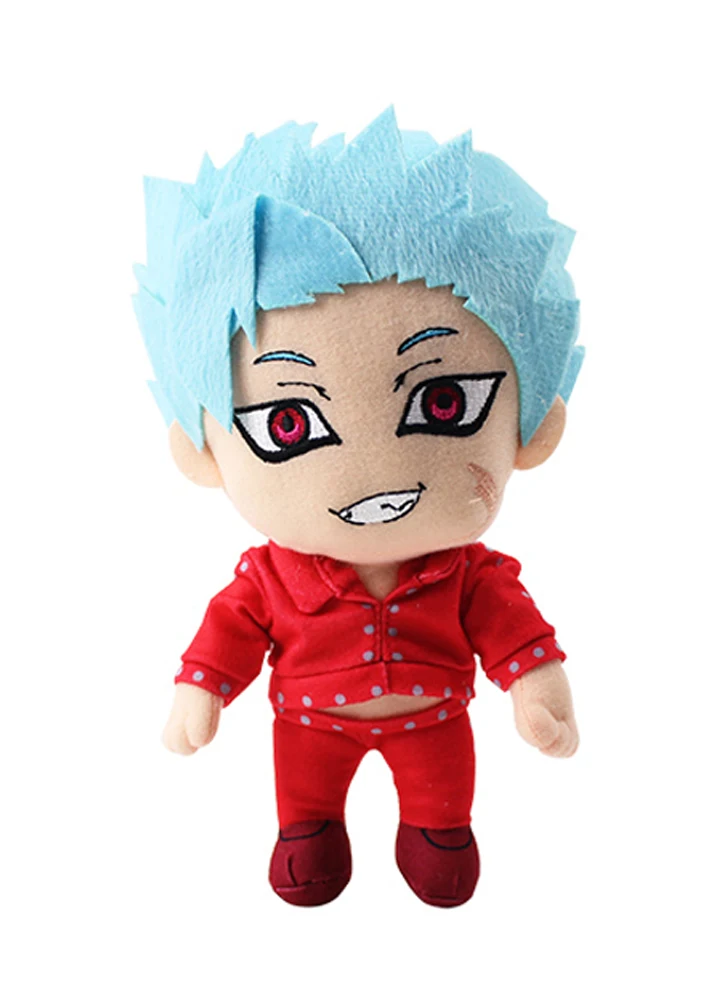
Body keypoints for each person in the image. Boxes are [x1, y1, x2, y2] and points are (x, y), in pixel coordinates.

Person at [135, 109, 583, 907]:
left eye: (444, 402)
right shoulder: (271, 579)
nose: (373, 477)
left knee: (443, 828)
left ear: (532, 425)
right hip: (309, 723)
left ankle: (437, 830)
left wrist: (536, 688)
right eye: (287, 423)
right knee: (306, 808)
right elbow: (231, 629)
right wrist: (201, 688)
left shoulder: (470, 575)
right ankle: (308, 827)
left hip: (434, 720)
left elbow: (512, 629)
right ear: (202, 451)